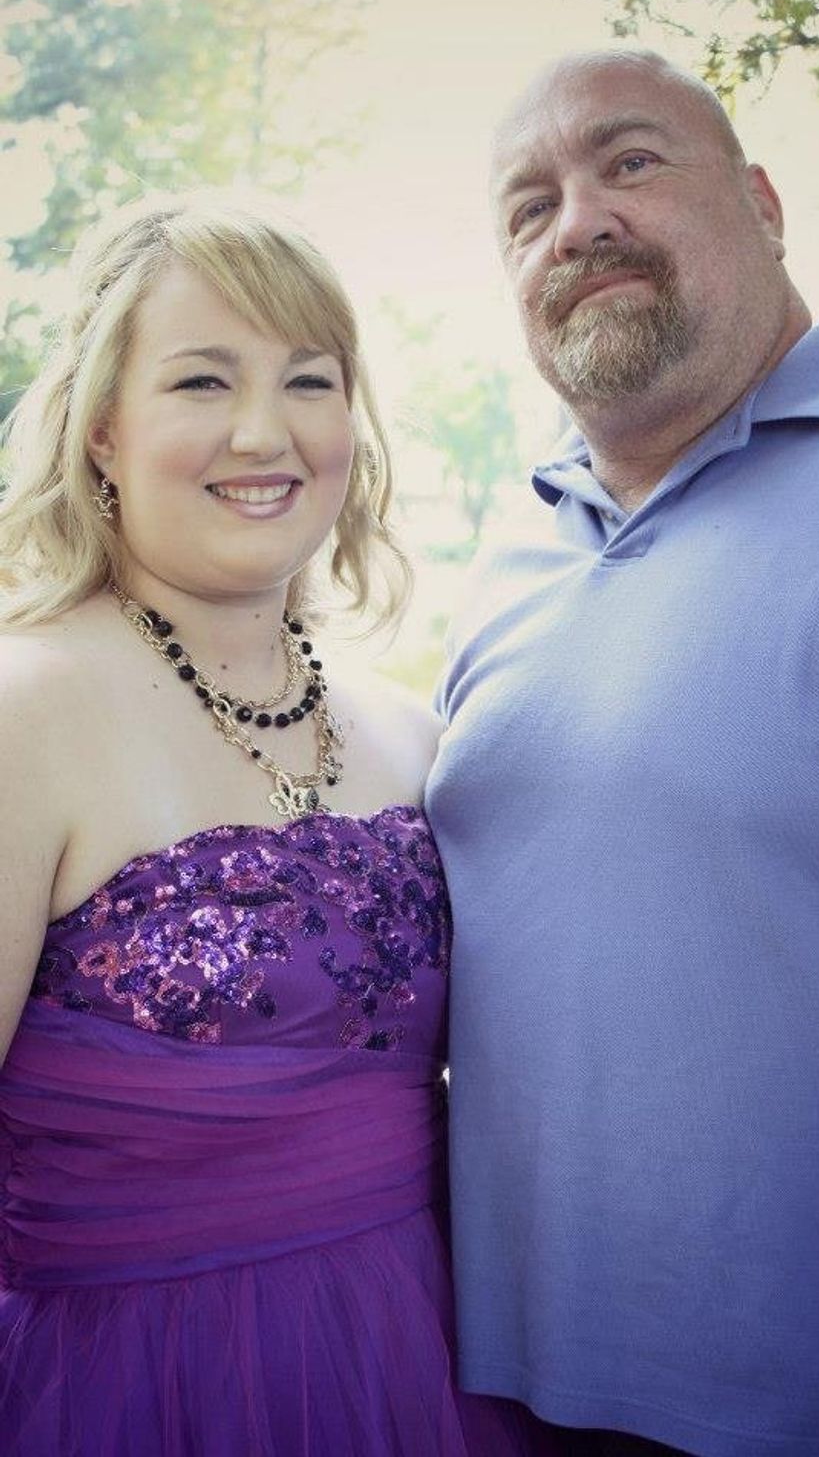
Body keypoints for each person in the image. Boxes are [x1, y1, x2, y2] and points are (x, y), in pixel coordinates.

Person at [425, 48, 819, 1457]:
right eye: (528, 207)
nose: (578, 222)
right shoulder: (505, 553)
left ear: (766, 206)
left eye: (630, 162)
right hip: (510, 1401)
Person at [0, 192, 552, 1457]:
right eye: (202, 380)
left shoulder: (412, 737)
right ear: (102, 430)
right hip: (130, 1387)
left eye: (309, 380)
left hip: (426, 1363)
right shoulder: (23, 714)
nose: (265, 432)